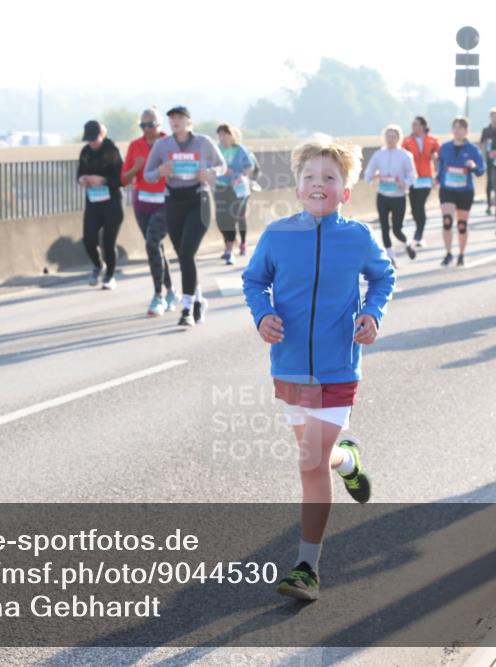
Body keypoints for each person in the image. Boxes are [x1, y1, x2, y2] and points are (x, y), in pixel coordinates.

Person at [241, 137, 394, 601]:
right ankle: (347, 459)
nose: (318, 184)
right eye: (310, 177)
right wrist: (262, 315)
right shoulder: (278, 235)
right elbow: (254, 281)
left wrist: (373, 312)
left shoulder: (358, 237)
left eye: (330, 177)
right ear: (297, 187)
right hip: (290, 367)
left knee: (308, 462)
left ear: (345, 191)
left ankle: (307, 565)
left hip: (338, 368)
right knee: (318, 457)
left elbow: (383, 276)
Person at [143, 106, 226, 327]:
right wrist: (160, 172)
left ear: (189, 122)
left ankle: (187, 307)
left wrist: (210, 173)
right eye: (172, 119)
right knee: (183, 255)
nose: (175, 122)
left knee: (188, 252)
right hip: (174, 201)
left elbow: (222, 166)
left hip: (199, 200)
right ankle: (199, 299)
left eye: (180, 118)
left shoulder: (203, 142)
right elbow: (147, 175)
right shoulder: (163, 145)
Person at [121, 107, 178, 316]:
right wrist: (136, 168)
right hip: (142, 202)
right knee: (156, 247)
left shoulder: (170, 144)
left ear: (159, 125)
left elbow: (183, 171)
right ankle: (171, 291)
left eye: (150, 125)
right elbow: (123, 179)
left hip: (166, 201)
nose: (146, 129)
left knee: (152, 243)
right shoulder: (135, 146)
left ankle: (158, 296)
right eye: (142, 125)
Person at [77, 120, 124, 290]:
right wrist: (82, 180)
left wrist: (103, 180)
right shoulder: (85, 152)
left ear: (102, 135)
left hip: (112, 202)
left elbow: (122, 179)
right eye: (89, 139)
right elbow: (80, 173)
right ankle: (98, 265)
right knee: (88, 239)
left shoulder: (112, 150)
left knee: (108, 242)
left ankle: (110, 275)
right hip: (93, 202)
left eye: (94, 139)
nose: (92, 143)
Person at [363, 125, 417, 267]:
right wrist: (371, 177)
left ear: (399, 138)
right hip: (382, 195)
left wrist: (404, 183)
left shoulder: (405, 155)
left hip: (398, 196)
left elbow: (412, 176)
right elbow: (369, 170)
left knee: (397, 229)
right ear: (384, 138)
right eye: (388, 136)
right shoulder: (379, 154)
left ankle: (407, 243)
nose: (390, 139)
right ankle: (391, 256)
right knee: (384, 226)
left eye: (393, 136)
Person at [436, 117, 486, 267]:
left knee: (462, 224)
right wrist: (437, 179)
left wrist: (473, 166)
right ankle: (448, 253)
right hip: (447, 190)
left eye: (461, 128)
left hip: (464, 191)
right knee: (447, 221)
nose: (457, 131)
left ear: (466, 131)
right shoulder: (444, 148)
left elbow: (481, 171)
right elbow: (441, 167)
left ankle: (461, 254)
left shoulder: (472, 149)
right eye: (455, 128)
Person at [214, 123, 256, 266]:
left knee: (233, 217)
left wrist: (240, 176)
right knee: (221, 219)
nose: (222, 137)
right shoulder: (217, 150)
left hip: (237, 189)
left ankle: (230, 250)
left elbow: (250, 166)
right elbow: (210, 165)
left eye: (225, 134)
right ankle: (229, 244)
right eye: (220, 135)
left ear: (232, 136)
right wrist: (219, 171)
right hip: (220, 187)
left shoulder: (240, 150)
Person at [402, 116, 440, 248]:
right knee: (414, 208)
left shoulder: (432, 140)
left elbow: (439, 153)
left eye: (417, 124)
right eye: (413, 124)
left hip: (426, 177)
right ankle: (418, 230)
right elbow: (401, 156)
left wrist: (435, 155)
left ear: (423, 126)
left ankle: (419, 234)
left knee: (420, 204)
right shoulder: (407, 141)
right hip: (412, 178)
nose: (414, 127)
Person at [480, 108, 496, 215]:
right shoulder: (486, 131)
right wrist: (483, 157)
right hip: (489, 160)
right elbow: (482, 144)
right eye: (493, 117)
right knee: (489, 182)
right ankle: (488, 204)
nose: (495, 119)